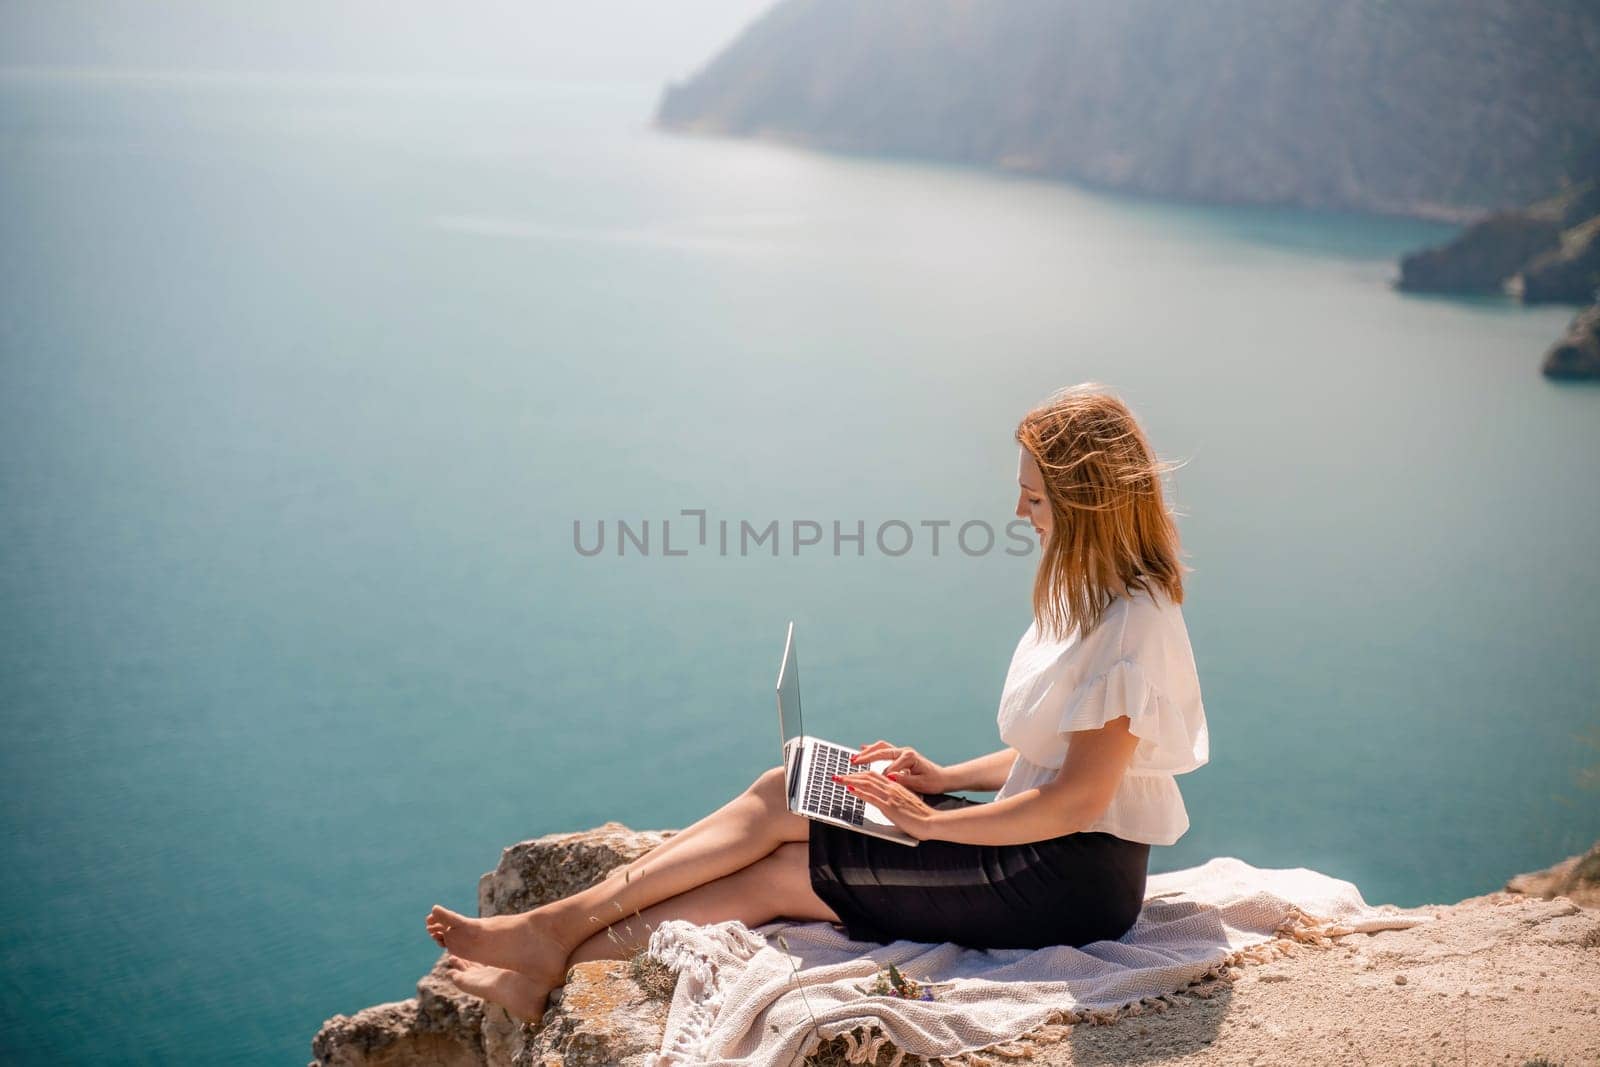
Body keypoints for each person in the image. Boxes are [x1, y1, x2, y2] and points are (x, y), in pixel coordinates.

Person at [424, 382, 1209, 1025]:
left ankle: (547, 959)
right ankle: (550, 933)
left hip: (1063, 883)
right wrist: (937, 780)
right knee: (784, 790)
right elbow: (1059, 753)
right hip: (1039, 845)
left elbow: (1080, 796)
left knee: (777, 875)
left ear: (1084, 503)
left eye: (1034, 499)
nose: (1019, 515)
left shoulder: (1130, 621)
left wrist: (935, 826)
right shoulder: (1096, 597)